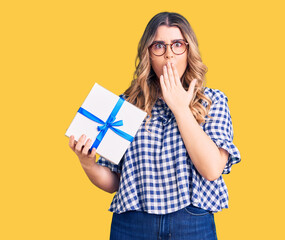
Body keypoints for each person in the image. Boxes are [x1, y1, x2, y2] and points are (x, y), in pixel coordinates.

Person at [68, 11, 241, 240]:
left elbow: (211, 170)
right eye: (159, 46)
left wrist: (180, 109)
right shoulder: (127, 105)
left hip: (191, 224)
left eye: (177, 44)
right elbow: (114, 182)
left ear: (189, 51)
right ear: (148, 53)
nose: (169, 55)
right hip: (132, 225)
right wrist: (88, 163)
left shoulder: (211, 101)